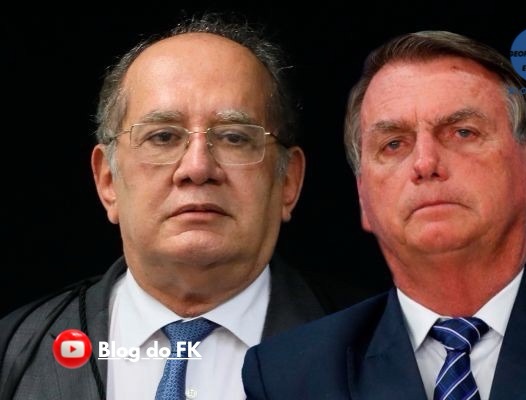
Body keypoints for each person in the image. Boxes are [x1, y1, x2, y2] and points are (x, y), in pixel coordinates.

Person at [0, 14, 366, 400]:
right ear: (107, 180)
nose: (197, 168)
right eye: (163, 137)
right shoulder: (11, 353)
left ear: (288, 182)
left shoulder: (382, 349)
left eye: (234, 137)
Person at [242, 30, 526, 399]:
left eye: (463, 132)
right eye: (394, 144)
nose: (425, 163)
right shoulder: (291, 376)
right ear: (363, 198)